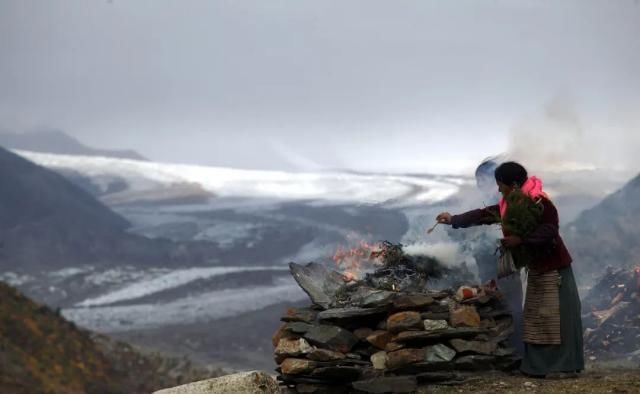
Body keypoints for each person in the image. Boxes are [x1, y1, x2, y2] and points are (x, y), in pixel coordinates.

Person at [436, 161, 584, 377]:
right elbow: (484, 215)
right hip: (537, 268)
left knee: (557, 318)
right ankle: (541, 366)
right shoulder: (509, 204)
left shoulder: (539, 201)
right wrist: (454, 220)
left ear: (512, 184)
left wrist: (521, 240)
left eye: (500, 184)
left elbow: (550, 230)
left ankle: (566, 366)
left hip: (555, 268)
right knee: (537, 318)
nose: (498, 189)